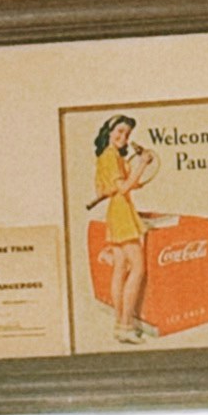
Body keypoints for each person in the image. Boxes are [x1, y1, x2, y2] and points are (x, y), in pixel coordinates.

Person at [92, 112, 154, 340]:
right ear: (109, 131)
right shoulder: (110, 157)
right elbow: (125, 188)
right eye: (120, 131)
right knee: (138, 268)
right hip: (121, 213)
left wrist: (140, 165)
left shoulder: (108, 157)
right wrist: (143, 163)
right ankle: (126, 326)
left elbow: (124, 185)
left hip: (117, 211)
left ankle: (120, 325)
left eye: (127, 134)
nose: (124, 137)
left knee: (120, 268)